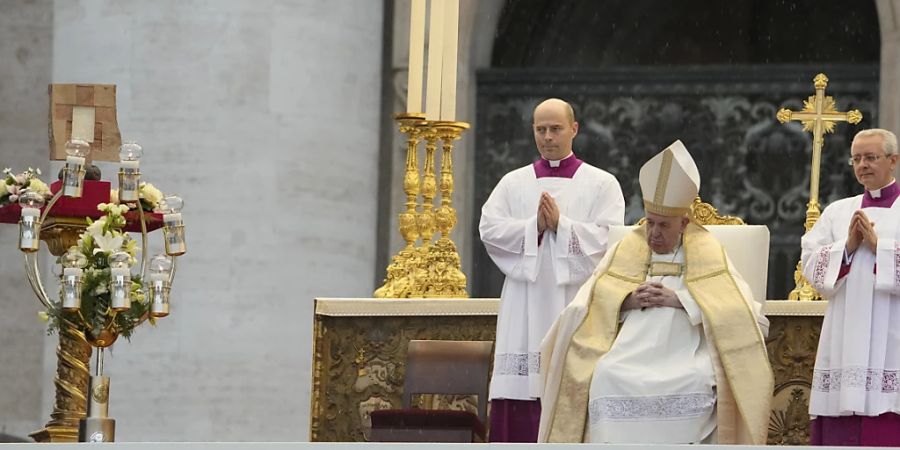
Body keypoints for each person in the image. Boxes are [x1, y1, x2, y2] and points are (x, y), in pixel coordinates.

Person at [538, 141, 772, 444]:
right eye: (650, 223)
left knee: (695, 381)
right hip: (629, 351)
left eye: (664, 225)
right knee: (606, 375)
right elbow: (588, 300)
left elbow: (742, 312)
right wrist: (625, 300)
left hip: (684, 351)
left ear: (684, 223)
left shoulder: (708, 251)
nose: (654, 233)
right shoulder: (627, 247)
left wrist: (682, 301)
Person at [478, 98, 625, 442]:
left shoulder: (602, 184)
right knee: (522, 387)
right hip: (524, 300)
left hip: (577, 301)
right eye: (540, 129)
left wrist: (563, 225)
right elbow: (489, 229)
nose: (547, 137)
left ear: (574, 129)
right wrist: (535, 228)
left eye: (555, 128)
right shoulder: (513, 183)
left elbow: (611, 240)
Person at [801, 128, 900, 446]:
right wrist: (847, 246)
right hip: (845, 330)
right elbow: (810, 264)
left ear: (893, 160)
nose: (863, 165)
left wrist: (879, 246)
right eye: (856, 159)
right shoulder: (837, 212)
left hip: (892, 333)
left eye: (871, 157)